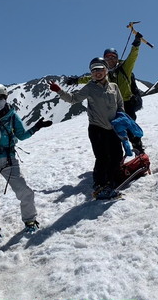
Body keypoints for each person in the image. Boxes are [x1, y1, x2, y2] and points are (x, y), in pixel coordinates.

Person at [0, 84, 52, 243]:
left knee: (24, 190)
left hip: (9, 158)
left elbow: (21, 135)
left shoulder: (12, 116)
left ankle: (30, 220)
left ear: (5, 98)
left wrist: (36, 127)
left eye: (0, 97)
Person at [49, 58, 124, 200]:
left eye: (100, 69)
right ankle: (100, 186)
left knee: (117, 155)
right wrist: (59, 91)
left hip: (113, 128)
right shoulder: (89, 87)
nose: (97, 72)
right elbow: (73, 99)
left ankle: (111, 182)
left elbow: (120, 104)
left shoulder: (114, 87)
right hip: (97, 129)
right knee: (102, 158)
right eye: (94, 70)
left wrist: (122, 120)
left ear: (106, 70)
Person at [66, 31, 145, 153]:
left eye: (113, 57)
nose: (110, 59)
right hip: (113, 105)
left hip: (127, 103)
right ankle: (120, 154)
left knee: (130, 127)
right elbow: (90, 78)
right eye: (107, 57)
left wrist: (136, 44)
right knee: (116, 130)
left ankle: (138, 150)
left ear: (117, 58)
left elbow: (132, 57)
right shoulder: (104, 73)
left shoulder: (125, 68)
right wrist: (76, 80)